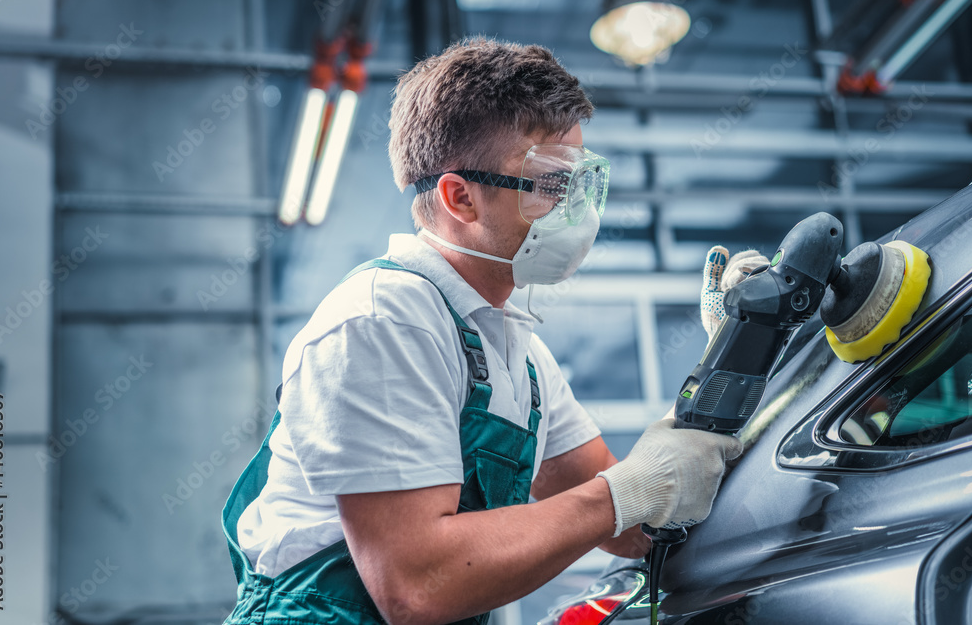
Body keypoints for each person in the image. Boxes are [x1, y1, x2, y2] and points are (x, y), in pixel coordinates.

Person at [221, 37, 744, 625]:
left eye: (581, 183)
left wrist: (733, 359)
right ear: (460, 197)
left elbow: (633, 530)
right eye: (551, 184)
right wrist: (623, 493)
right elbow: (418, 586)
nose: (579, 212)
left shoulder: (521, 358)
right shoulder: (384, 321)